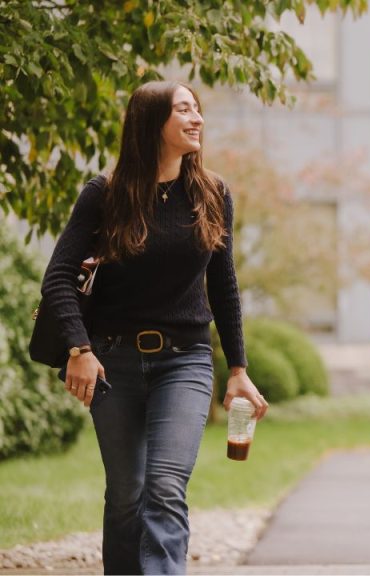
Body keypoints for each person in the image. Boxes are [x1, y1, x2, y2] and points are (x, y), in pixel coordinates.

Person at [41, 80, 268, 575]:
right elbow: (58, 277)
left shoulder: (213, 193)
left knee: (165, 488)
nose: (197, 118)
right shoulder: (105, 195)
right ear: (151, 124)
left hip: (184, 360)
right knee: (126, 495)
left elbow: (223, 286)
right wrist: (79, 349)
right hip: (112, 360)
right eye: (182, 109)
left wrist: (239, 369)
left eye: (197, 109)